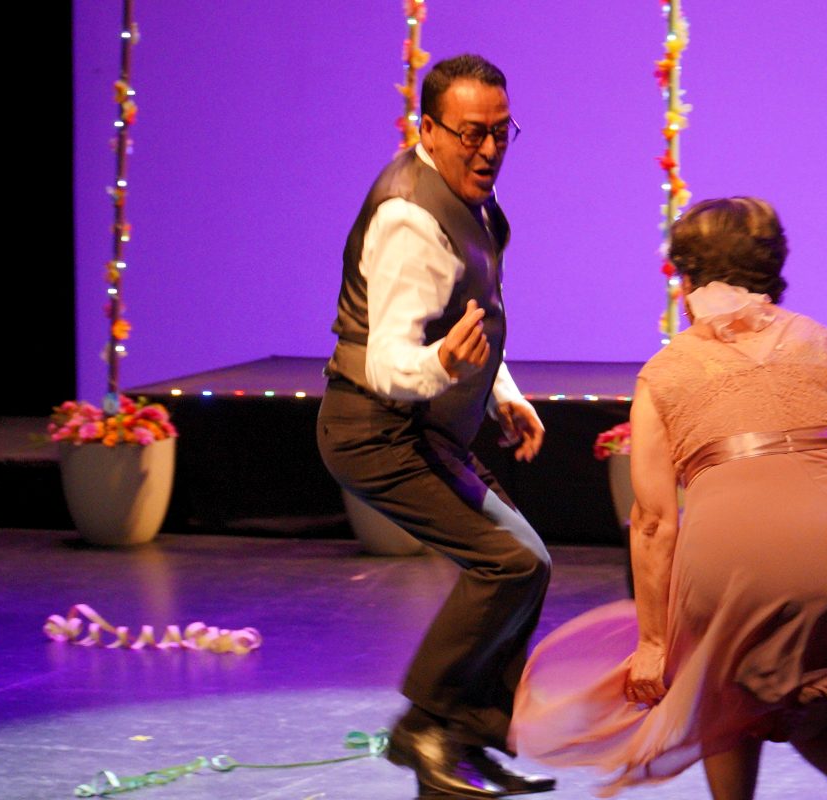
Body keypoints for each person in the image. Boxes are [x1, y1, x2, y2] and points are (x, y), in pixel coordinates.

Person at [510, 197, 827, 799]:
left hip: (731, 571)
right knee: (817, 719)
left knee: (723, 690)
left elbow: (654, 521)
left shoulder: (665, 374)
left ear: (686, 279)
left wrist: (654, 645)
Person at [317, 54, 556, 799]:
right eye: (470, 133)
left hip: (421, 429)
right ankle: (423, 727)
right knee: (507, 564)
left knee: (529, 562)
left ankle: (465, 738)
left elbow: (466, 319)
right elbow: (389, 362)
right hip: (374, 429)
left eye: (500, 132)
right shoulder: (410, 219)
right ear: (428, 129)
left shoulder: (467, 199)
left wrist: (499, 392)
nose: (488, 151)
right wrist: (447, 368)